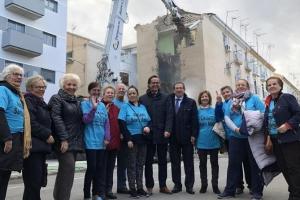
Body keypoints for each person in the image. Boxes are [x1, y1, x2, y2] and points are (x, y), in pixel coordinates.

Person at [218, 79, 264, 200]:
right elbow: (227, 117)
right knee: (233, 164)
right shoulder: (231, 101)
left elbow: (263, 113)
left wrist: (254, 127)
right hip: (236, 137)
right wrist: (235, 129)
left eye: (242, 85)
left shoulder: (254, 98)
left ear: (247, 86)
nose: (240, 86)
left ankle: (256, 192)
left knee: (254, 165)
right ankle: (229, 191)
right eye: (238, 85)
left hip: (252, 137)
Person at [264, 76, 300, 200]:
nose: (271, 86)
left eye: (274, 84)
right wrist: (268, 139)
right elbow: (268, 122)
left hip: (290, 139)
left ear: (280, 86)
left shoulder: (287, 98)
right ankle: (294, 190)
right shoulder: (268, 103)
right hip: (275, 140)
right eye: (269, 85)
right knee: (284, 167)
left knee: (293, 167)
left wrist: (288, 125)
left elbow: (298, 113)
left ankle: (296, 195)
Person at [49, 73, 84, 200]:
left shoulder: (77, 101)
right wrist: (64, 139)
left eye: (74, 85)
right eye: (68, 84)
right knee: (68, 171)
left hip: (74, 141)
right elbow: (56, 118)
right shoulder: (57, 98)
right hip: (63, 142)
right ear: (63, 85)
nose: (71, 87)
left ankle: (60, 197)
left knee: (66, 173)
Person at [0, 64, 31, 200]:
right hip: (6, 137)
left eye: (21, 75)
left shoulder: (16, 93)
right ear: (7, 76)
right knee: (1, 174)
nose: (19, 77)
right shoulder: (3, 89)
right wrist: (7, 138)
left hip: (16, 137)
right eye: (15, 74)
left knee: (5, 174)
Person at [140, 75, 173, 195]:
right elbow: (139, 116)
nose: (155, 84)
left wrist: (168, 129)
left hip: (162, 134)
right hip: (148, 135)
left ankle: (163, 186)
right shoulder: (142, 99)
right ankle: (149, 186)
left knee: (163, 161)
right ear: (149, 84)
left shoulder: (166, 98)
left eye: (157, 83)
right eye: (153, 83)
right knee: (148, 162)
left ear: (159, 84)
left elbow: (170, 115)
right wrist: (143, 128)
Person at [215, 86, 251, 194]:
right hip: (229, 137)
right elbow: (218, 118)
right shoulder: (222, 104)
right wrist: (218, 104)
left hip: (240, 135)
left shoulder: (236, 101)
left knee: (247, 162)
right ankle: (238, 185)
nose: (226, 94)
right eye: (224, 92)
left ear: (232, 92)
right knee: (235, 163)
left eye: (227, 92)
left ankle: (251, 185)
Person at [23, 75, 54, 200]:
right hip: (32, 148)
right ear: (30, 88)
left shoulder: (41, 102)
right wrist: (47, 134)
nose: (42, 89)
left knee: (37, 182)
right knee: (33, 182)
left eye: (43, 87)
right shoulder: (28, 101)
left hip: (40, 148)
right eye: (38, 87)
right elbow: (30, 122)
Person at [118, 85, 151, 198]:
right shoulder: (125, 107)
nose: (132, 95)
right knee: (131, 165)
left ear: (137, 94)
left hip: (143, 139)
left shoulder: (143, 107)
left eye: (134, 93)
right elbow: (121, 124)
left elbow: (149, 121)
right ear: (128, 96)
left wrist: (148, 128)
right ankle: (132, 189)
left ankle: (140, 188)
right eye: (130, 93)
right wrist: (128, 139)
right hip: (131, 140)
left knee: (140, 165)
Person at [167, 82, 198, 194]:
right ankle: (177, 185)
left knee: (189, 163)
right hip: (173, 138)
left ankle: (189, 186)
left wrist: (194, 135)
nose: (179, 90)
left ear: (184, 89)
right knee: (175, 163)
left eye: (181, 88)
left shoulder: (191, 102)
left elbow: (195, 120)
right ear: (174, 90)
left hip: (187, 138)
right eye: (176, 88)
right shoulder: (169, 101)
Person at [81, 82, 110, 200]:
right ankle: (87, 195)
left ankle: (96, 194)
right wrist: (93, 108)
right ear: (89, 91)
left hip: (101, 142)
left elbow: (106, 123)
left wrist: (107, 137)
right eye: (94, 90)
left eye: (98, 90)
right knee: (91, 168)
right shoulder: (84, 104)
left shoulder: (102, 105)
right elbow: (86, 120)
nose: (96, 92)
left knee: (99, 169)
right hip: (90, 141)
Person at [196, 90, 221, 194]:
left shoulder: (214, 110)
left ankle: (215, 185)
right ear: (200, 99)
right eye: (202, 96)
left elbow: (220, 118)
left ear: (209, 98)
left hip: (214, 140)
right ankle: (204, 185)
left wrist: (219, 103)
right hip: (201, 141)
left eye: (206, 96)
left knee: (214, 164)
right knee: (202, 164)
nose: (204, 98)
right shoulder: (197, 111)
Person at [102, 86, 121, 199]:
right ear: (103, 94)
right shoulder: (99, 106)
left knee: (110, 168)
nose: (110, 94)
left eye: (111, 93)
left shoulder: (116, 108)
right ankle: (101, 191)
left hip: (114, 142)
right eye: (108, 92)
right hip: (102, 143)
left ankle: (108, 190)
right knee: (102, 168)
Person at [114, 83, 130, 194]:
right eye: (119, 88)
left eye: (123, 89)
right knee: (108, 164)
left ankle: (122, 186)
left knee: (122, 164)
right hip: (112, 138)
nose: (121, 90)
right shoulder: (111, 103)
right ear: (115, 90)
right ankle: (106, 187)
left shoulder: (126, 104)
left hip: (123, 138)